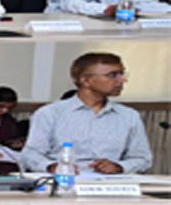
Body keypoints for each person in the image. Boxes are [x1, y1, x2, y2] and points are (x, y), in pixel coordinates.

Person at [21, 52, 152, 174]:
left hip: (111, 184)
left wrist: (120, 167)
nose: (122, 80)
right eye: (113, 75)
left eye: (122, 74)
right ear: (85, 80)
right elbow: (30, 155)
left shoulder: (129, 116)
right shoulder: (50, 113)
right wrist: (52, 167)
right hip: (64, 181)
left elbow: (143, 158)